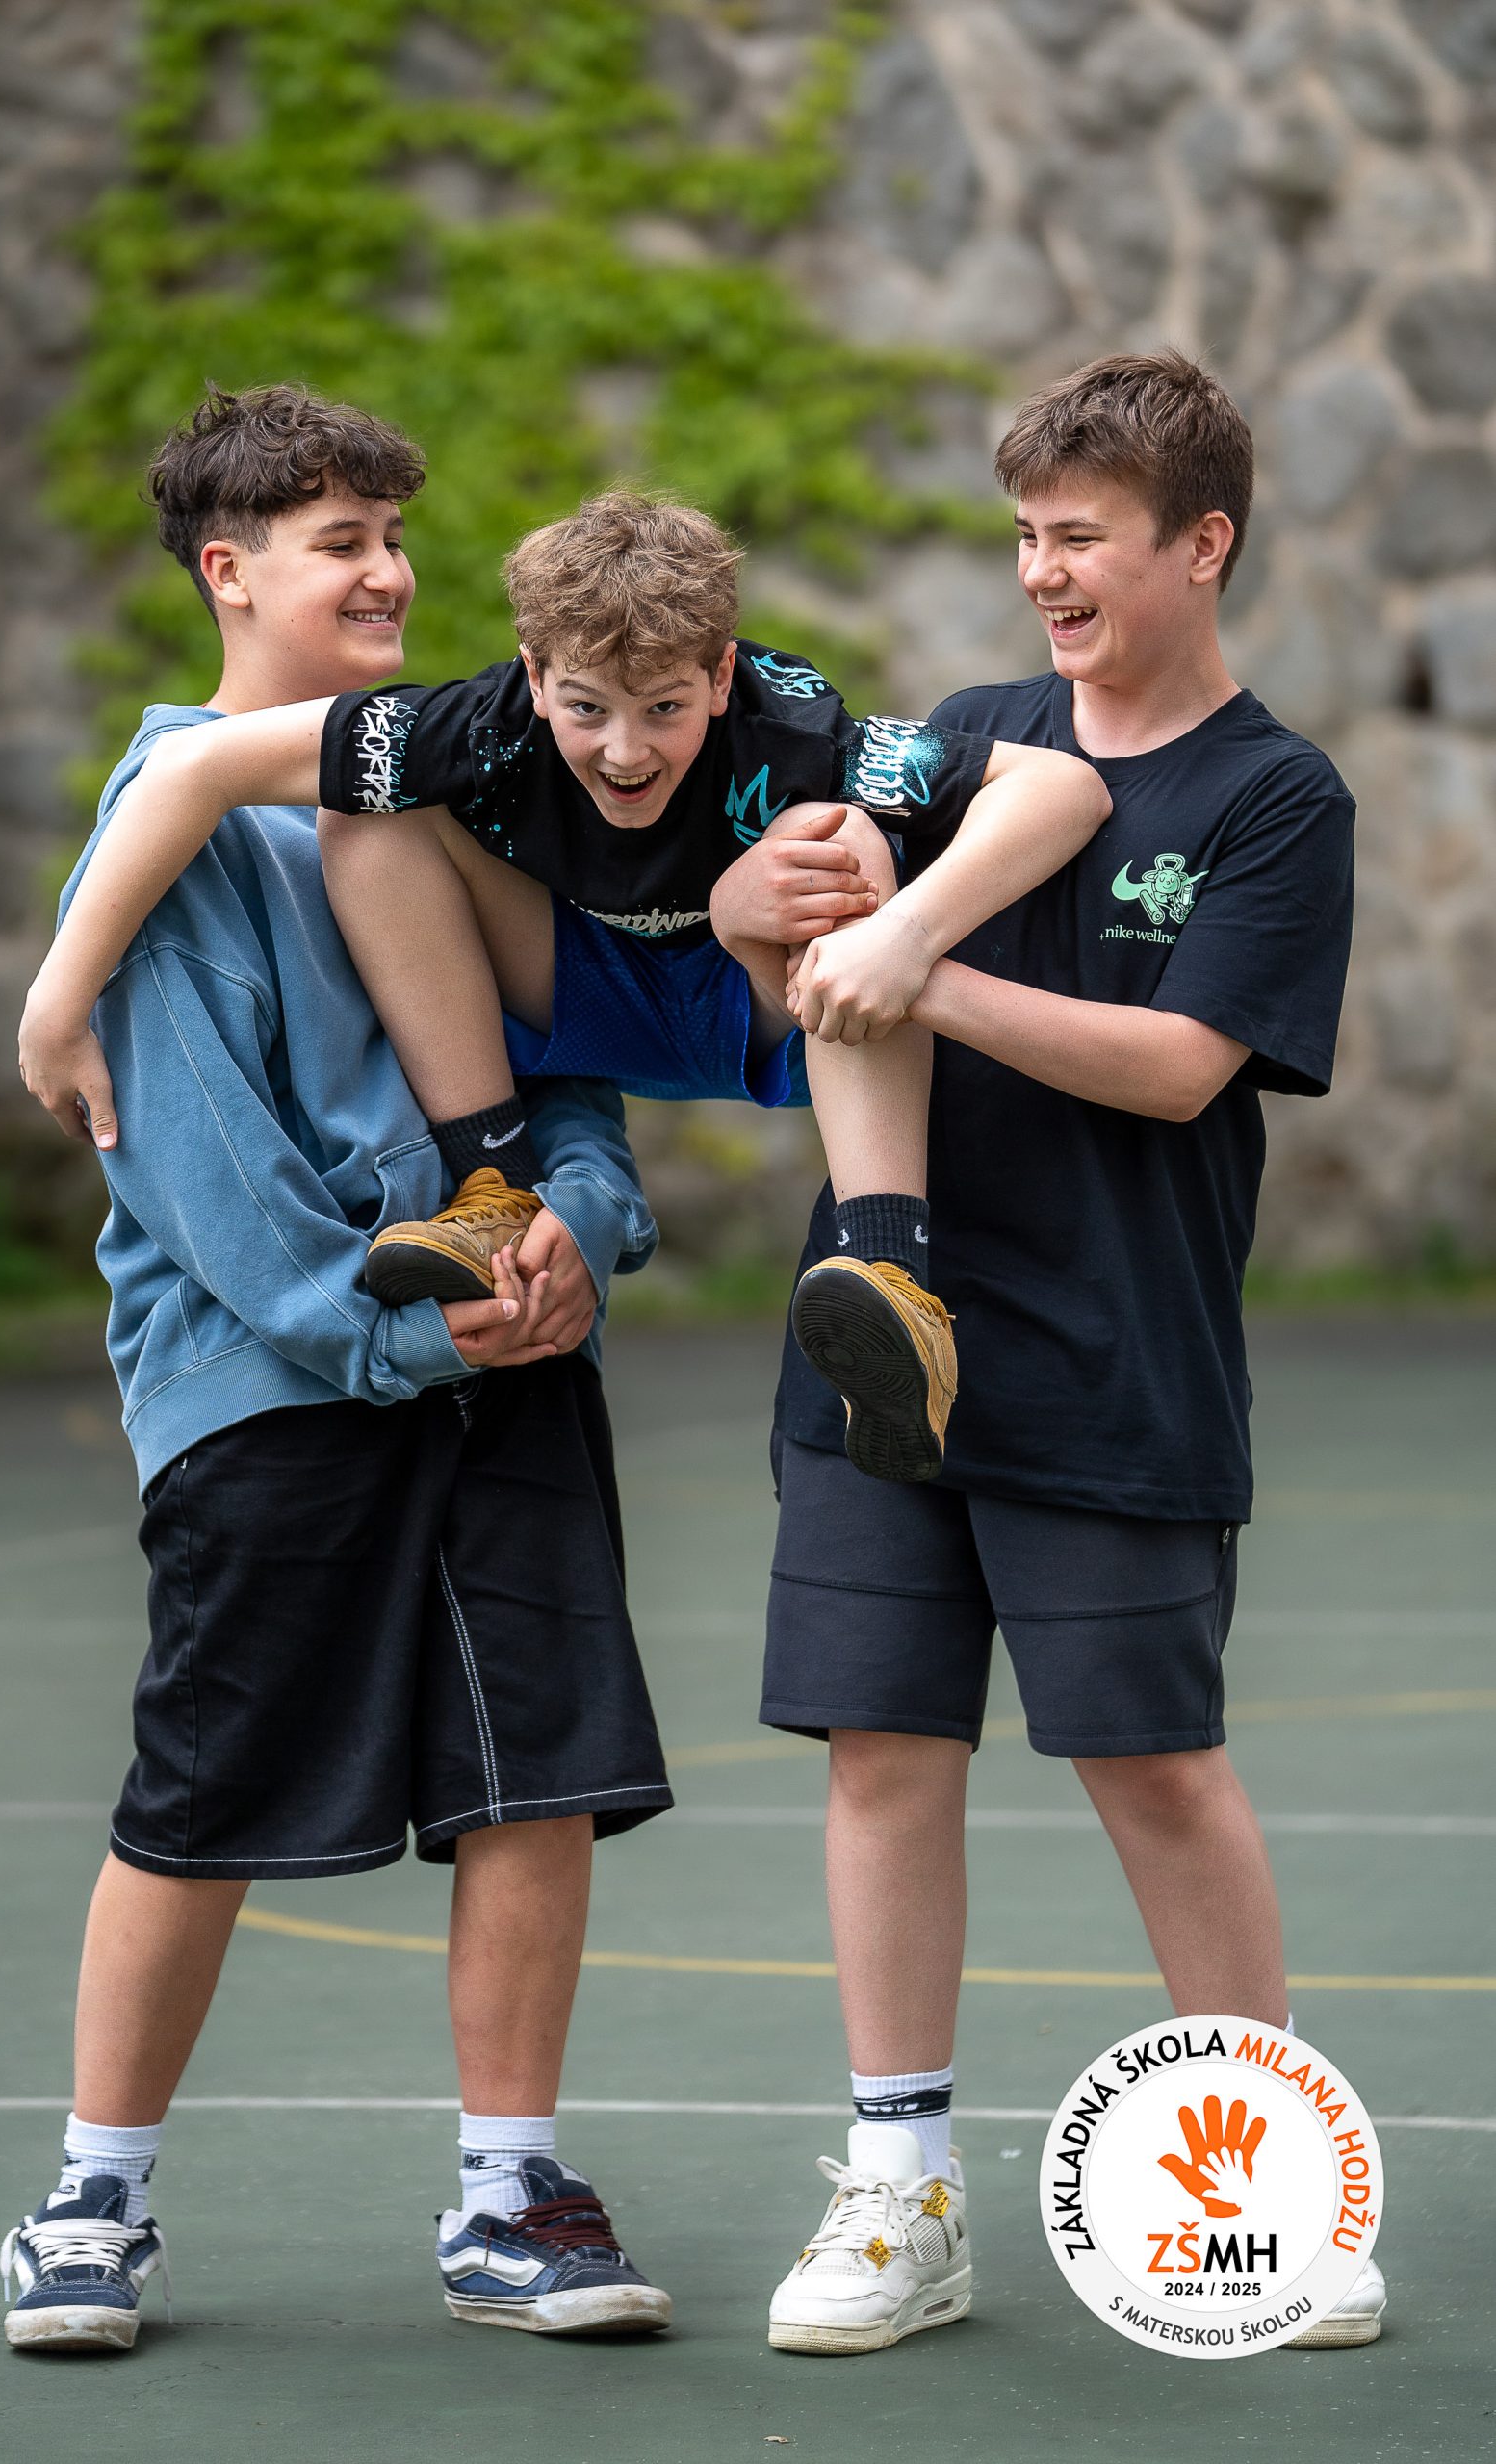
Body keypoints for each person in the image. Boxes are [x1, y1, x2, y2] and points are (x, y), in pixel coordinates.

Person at [0, 384, 675, 2354]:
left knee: (533, 1780)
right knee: (204, 1793)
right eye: (338, 543)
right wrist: (396, 1327)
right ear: (227, 572)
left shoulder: (452, 780)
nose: (388, 573)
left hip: (499, 1357)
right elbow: (201, 1171)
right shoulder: (171, 825)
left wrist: (581, 1229)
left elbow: (565, 1069)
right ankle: (91, 2198)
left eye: (392, 536)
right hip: (277, 1384)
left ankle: (508, 2196)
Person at [759, 349, 1382, 2357]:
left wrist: (920, 971)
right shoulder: (959, 740)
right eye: (1024, 534)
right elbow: (809, 955)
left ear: (1200, 544)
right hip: (886, 1335)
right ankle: (899, 2192)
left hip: (1114, 1359)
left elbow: (1178, 1065)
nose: (1040, 571)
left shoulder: (1272, 796)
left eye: (1081, 536)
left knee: (1152, 1770)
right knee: (879, 1752)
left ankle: (1265, 2188)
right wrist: (775, 917)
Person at [20, 494, 1112, 1488]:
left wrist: (907, 940)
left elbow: (1062, 787)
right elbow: (190, 767)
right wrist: (58, 1007)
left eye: (664, 708)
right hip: (578, 992)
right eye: (586, 708)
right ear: (534, 675)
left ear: (720, 677)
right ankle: (493, 1183)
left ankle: (886, 1268)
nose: (624, 751)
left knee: (839, 837)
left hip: (766, 997)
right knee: (367, 813)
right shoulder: (481, 728)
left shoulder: (789, 733)